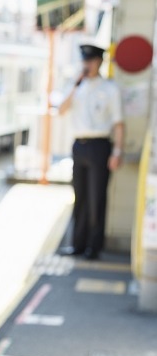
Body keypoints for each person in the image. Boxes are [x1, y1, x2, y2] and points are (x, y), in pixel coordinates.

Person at [58, 43, 124, 261]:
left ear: (99, 62)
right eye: (84, 61)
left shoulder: (110, 89)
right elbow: (60, 110)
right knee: (80, 197)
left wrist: (117, 152)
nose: (87, 65)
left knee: (97, 198)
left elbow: (118, 123)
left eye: (91, 61)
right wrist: (76, 85)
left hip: (100, 146)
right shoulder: (75, 86)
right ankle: (77, 243)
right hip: (79, 145)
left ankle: (93, 247)